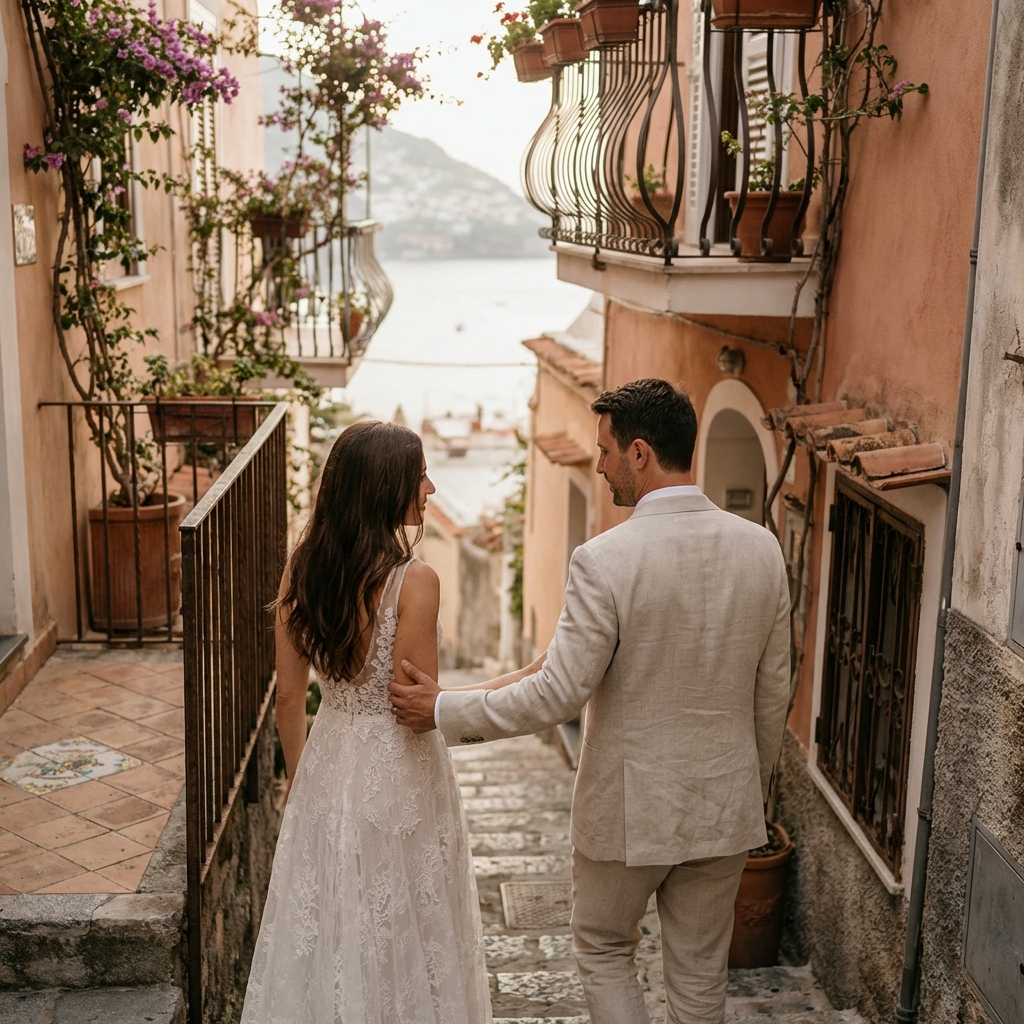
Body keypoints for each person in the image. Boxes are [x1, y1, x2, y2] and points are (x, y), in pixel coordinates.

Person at [390, 378, 792, 1024]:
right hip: (724, 805)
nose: (598, 465)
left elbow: (557, 693)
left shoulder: (604, 560)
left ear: (639, 452)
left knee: (604, 950)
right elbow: (773, 692)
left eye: (604, 451)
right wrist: (752, 786)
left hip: (627, 815)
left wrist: (442, 709)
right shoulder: (762, 550)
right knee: (699, 982)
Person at [241, 420, 541, 1024]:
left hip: (329, 758)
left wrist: (301, 779)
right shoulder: (416, 581)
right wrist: (517, 680)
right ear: (386, 488)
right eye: (419, 474)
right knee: (406, 922)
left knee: (333, 924)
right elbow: (416, 710)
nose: (430, 487)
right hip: (400, 774)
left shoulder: (301, 574)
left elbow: (290, 699)